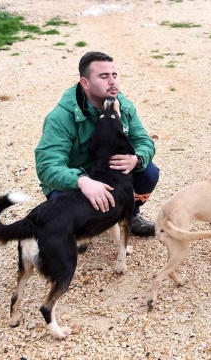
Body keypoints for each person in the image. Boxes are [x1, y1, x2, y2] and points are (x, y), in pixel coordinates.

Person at [35, 51, 159, 237]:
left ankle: (129, 214)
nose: (112, 82)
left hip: (108, 174)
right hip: (76, 181)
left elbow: (143, 140)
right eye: (103, 76)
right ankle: (76, 230)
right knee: (61, 205)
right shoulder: (60, 117)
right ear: (84, 82)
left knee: (148, 172)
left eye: (114, 75)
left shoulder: (122, 105)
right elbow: (47, 166)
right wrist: (82, 181)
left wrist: (137, 158)